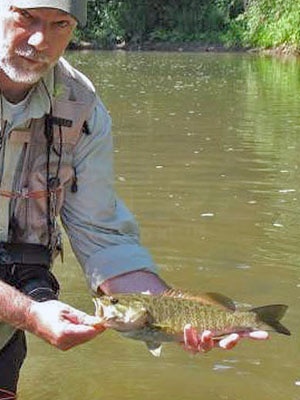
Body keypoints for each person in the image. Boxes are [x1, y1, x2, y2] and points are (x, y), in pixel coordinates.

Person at [0, 1, 268, 397]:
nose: (41, 39)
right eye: (26, 17)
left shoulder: (81, 107)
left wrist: (162, 307)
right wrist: (30, 312)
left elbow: (102, 235)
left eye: (60, 24)